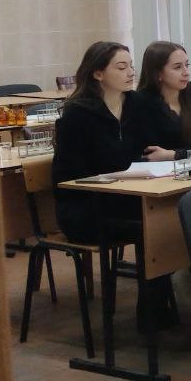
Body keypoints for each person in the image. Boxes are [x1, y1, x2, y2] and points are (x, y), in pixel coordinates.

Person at [52, 41, 145, 244]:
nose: (131, 73)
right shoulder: (77, 114)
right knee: (155, 222)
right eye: (121, 68)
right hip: (85, 208)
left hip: (124, 197)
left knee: (169, 213)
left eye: (131, 66)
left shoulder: (136, 104)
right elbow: (70, 177)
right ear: (98, 74)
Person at [133, 40, 191, 160]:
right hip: (159, 169)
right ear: (158, 73)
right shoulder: (142, 101)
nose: (186, 72)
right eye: (177, 67)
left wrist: (174, 154)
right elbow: (150, 153)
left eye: (187, 65)